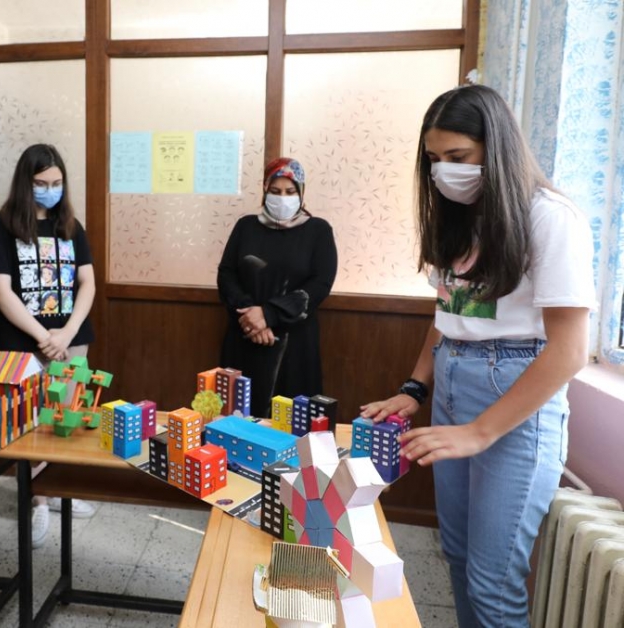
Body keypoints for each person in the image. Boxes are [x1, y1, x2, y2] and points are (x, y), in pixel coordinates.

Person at [359, 84, 594, 628]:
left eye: (459, 157)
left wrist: (480, 431)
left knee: (493, 584)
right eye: (434, 159)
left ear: (497, 148)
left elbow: (569, 350)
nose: (444, 172)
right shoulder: (459, 218)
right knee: (459, 558)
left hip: (514, 391)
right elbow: (447, 314)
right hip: (454, 377)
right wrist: (415, 387)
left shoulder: (550, 217)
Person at [0, 144, 96, 548]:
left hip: (71, 340)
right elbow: (0, 291)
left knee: (66, 418)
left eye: (57, 183)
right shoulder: (2, 227)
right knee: (26, 425)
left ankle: (60, 489)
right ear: (25, 183)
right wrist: (44, 337)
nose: (50, 190)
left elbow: (88, 284)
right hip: (21, 344)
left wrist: (66, 334)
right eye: (41, 183)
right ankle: (37, 499)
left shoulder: (71, 226)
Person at [217, 157, 338, 418]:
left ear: (301, 193)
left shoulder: (318, 231)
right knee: (237, 419)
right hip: (244, 336)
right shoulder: (245, 227)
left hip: (294, 344)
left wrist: (269, 315)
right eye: (275, 191)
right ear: (264, 190)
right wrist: (251, 318)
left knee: (292, 421)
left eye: (290, 191)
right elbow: (226, 274)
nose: (282, 198)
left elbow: (320, 284)